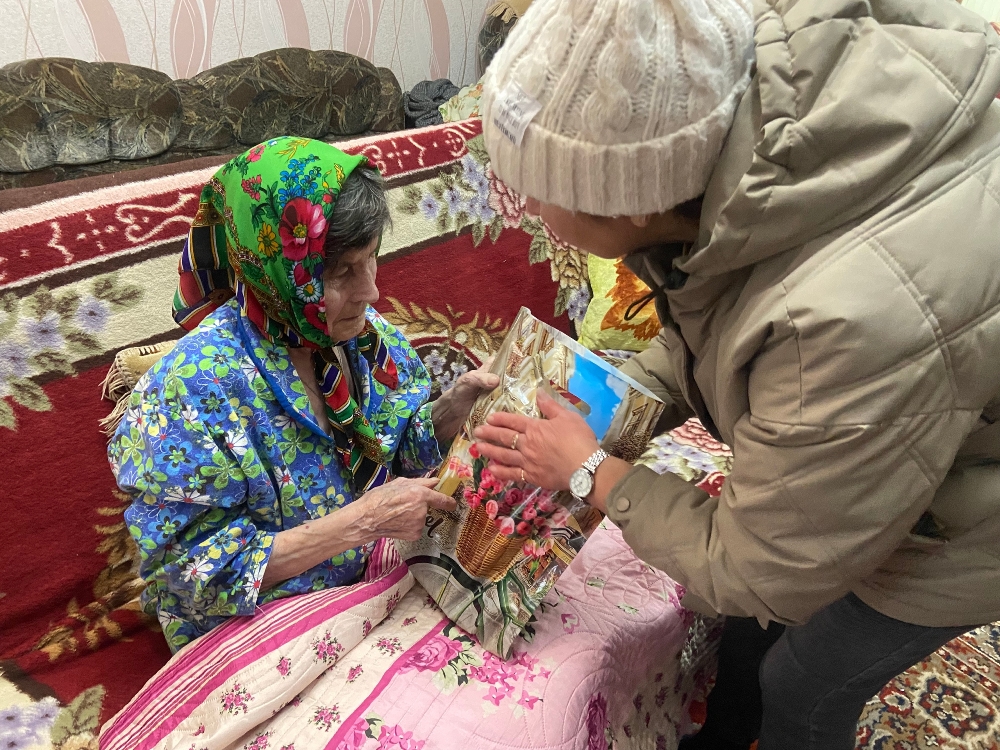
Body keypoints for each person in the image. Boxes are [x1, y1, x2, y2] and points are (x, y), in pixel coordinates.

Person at [472, 0, 1000, 748]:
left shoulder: (839, 323)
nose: (523, 206)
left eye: (537, 188)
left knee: (802, 686)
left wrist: (592, 472)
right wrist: (614, 394)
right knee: (753, 639)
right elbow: (720, 313)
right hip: (901, 409)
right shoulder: (741, 132)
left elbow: (760, 570)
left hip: (965, 522)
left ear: (630, 201)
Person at [108, 138, 497, 653]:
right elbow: (189, 574)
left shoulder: (362, 338)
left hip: (378, 582)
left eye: (371, 259)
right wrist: (362, 522)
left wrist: (452, 409)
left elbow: (395, 450)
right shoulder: (193, 388)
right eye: (342, 272)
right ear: (277, 272)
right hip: (261, 626)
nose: (371, 292)